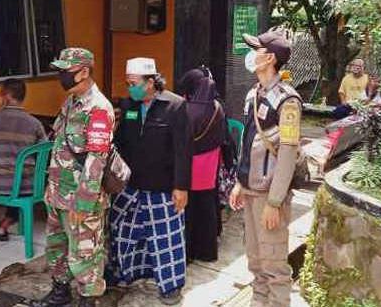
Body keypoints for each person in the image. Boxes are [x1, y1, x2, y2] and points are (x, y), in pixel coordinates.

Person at [31, 48, 114, 307]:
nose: (61, 77)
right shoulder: (70, 102)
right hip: (57, 192)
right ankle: (60, 292)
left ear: (84, 72)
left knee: (85, 253)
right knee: (57, 247)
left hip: (80, 197)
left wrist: (84, 200)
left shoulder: (98, 108)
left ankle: (89, 300)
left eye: (65, 72)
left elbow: (96, 159)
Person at [109, 57, 191, 306]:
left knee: (166, 238)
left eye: (134, 83)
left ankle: (170, 286)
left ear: (151, 82)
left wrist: (181, 187)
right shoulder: (129, 104)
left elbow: (183, 151)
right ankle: (124, 273)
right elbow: (121, 144)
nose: (129, 88)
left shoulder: (175, 106)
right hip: (131, 186)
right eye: (127, 83)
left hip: (163, 187)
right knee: (123, 231)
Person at [229, 31, 301, 307]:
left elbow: (287, 154)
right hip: (250, 190)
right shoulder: (253, 94)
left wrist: (274, 201)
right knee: (256, 263)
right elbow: (248, 143)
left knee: (274, 268)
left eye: (256, 49)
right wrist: (239, 182)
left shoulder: (288, 101)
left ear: (269, 58)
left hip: (270, 196)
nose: (251, 54)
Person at [0, 78, 47, 241]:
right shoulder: (35, 124)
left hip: (1, 184)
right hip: (29, 185)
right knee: (18, 184)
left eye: (0, 95)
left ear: (5, 96)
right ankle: (4, 226)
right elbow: (44, 149)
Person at [177, 67, 226, 263]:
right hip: (211, 162)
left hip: (190, 163)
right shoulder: (217, 106)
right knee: (207, 206)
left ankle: (188, 252)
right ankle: (207, 251)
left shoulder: (187, 109)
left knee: (189, 210)